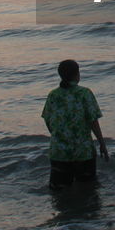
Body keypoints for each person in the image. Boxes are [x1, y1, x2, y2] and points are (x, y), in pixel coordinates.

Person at [40, 59, 109, 189]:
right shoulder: (84, 93)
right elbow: (93, 121)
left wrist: (59, 137)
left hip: (59, 152)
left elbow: (48, 120)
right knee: (88, 190)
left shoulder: (53, 95)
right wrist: (102, 144)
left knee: (59, 193)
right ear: (77, 74)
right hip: (82, 152)